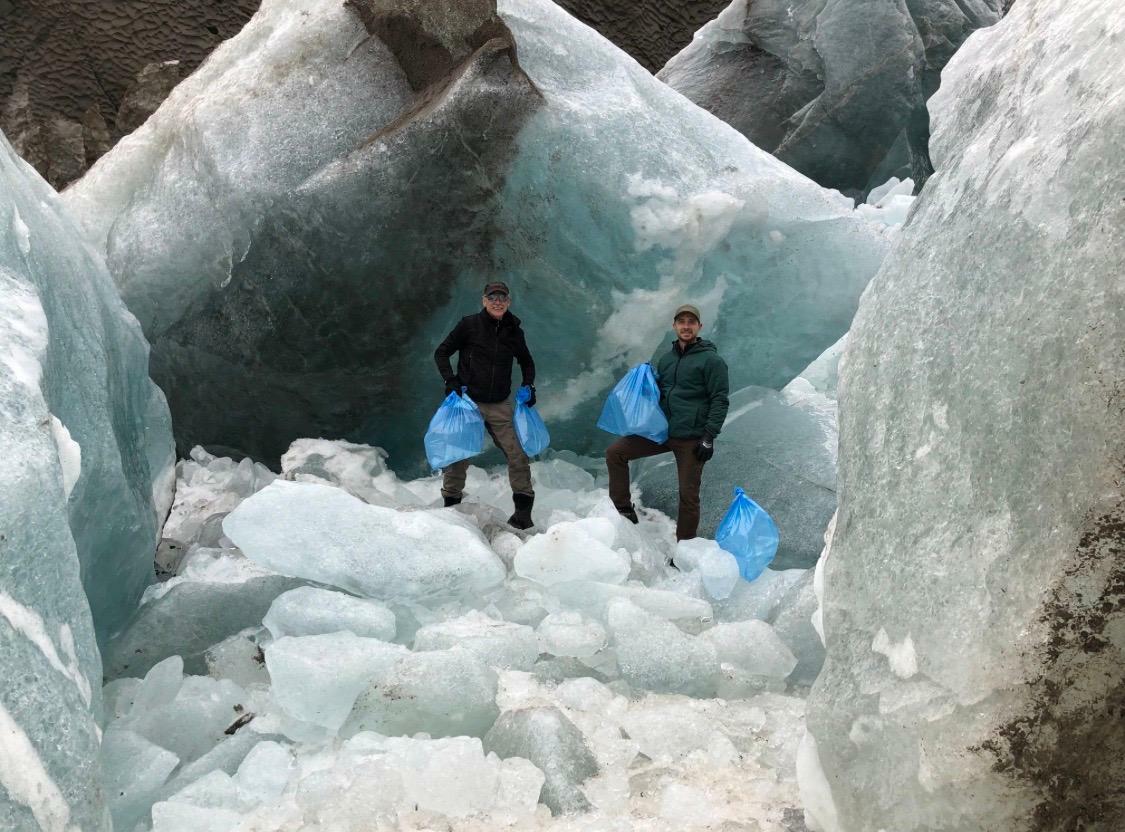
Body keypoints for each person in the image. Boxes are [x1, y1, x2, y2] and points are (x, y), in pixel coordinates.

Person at [606, 304, 729, 541]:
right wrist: (644, 382)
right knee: (615, 453)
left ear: (699, 326)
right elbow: (661, 394)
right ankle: (623, 510)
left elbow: (720, 399)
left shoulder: (712, 361)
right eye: (681, 322)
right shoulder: (667, 359)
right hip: (662, 433)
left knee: (688, 496)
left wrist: (709, 436)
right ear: (674, 326)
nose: (686, 326)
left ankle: (684, 547)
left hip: (691, 438)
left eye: (691, 322)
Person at [434, 281, 537, 529]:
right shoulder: (469, 325)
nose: (497, 302)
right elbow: (441, 352)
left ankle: (522, 516)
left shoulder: (514, 330)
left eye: (502, 298)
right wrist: (450, 380)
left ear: (508, 302)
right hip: (468, 404)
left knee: (518, 456)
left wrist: (529, 385)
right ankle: (450, 511)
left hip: (499, 404)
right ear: (484, 300)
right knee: (458, 458)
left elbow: (526, 361)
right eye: (492, 297)